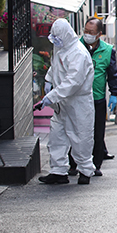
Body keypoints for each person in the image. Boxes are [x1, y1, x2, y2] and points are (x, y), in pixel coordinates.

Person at [39, 19, 95, 185]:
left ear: (65, 34)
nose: (55, 40)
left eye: (58, 36)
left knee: (81, 136)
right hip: (62, 102)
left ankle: (85, 170)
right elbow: (55, 67)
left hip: (78, 102)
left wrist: (53, 95)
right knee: (57, 136)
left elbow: (74, 81)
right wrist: (49, 80)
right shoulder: (61, 48)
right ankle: (58, 171)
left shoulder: (78, 53)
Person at [69, 17, 117, 177]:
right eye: (85, 31)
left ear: (99, 34)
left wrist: (114, 93)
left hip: (97, 99)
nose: (87, 35)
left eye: (91, 32)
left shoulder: (107, 50)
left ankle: (96, 165)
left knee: (97, 134)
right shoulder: (75, 47)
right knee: (75, 132)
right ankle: (73, 164)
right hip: (77, 98)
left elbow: (112, 74)